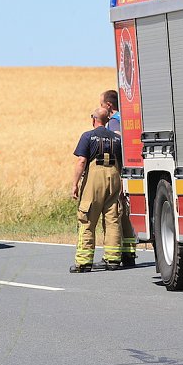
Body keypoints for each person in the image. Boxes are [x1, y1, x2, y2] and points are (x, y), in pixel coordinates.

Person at [70, 108, 123, 273]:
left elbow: (81, 161)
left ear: (94, 119)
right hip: (114, 178)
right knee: (112, 218)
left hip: (95, 179)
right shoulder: (117, 138)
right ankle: (113, 259)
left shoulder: (87, 136)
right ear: (107, 120)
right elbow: (122, 162)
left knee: (87, 219)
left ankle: (84, 262)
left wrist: (75, 184)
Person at [99, 89, 137, 267]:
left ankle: (116, 254)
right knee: (125, 214)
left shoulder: (114, 121)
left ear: (108, 105)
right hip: (129, 168)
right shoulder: (126, 117)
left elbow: (117, 142)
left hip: (118, 169)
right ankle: (129, 253)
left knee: (116, 212)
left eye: (101, 105)